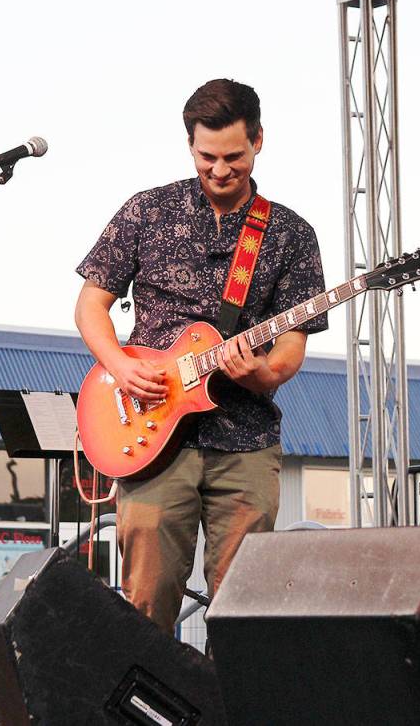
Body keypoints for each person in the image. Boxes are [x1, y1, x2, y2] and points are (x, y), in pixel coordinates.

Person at [74, 79, 327, 632]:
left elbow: (290, 347)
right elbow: (91, 304)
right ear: (190, 145)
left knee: (245, 608)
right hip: (150, 429)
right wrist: (121, 365)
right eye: (206, 156)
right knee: (147, 599)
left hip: (245, 439)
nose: (219, 169)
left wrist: (262, 372)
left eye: (233, 156)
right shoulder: (147, 210)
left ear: (259, 141)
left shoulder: (289, 234)